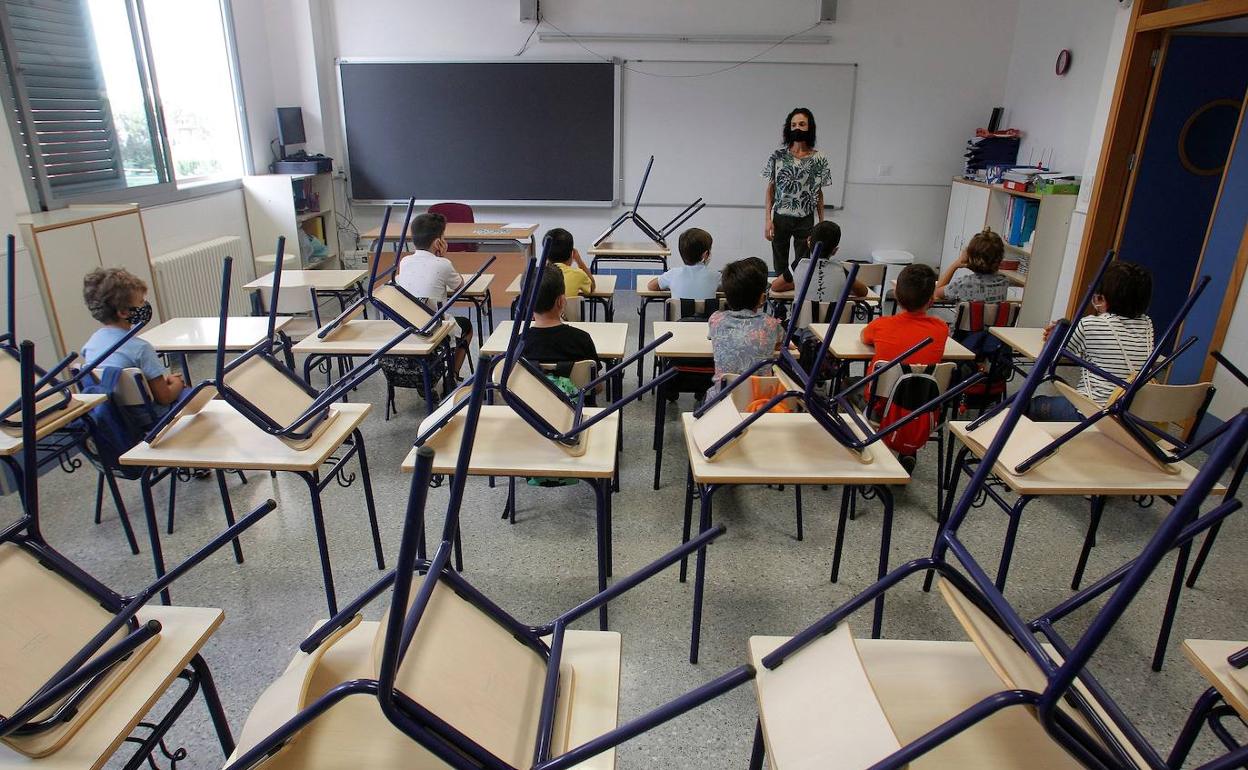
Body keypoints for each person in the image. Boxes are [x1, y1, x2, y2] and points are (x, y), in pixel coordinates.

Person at [1029, 261, 1155, 421]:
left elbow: (1055, 351)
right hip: (1129, 416)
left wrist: (1057, 333)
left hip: (1091, 414)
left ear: (1105, 296)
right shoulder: (1147, 325)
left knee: (1031, 405)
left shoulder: (1090, 324)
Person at [81, 267, 183, 424]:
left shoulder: (90, 345)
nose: (144, 306)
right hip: (152, 418)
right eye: (141, 302)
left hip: (117, 417)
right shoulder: (141, 348)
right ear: (123, 312)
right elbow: (165, 397)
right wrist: (177, 383)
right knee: (198, 392)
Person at [394, 211, 473, 373]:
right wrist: (443, 258)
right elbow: (460, 287)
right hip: (434, 327)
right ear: (438, 243)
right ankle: (453, 374)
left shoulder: (405, 261)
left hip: (408, 325)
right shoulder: (443, 264)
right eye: (443, 238)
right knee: (467, 326)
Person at [762, 107, 833, 280]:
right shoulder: (778, 156)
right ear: (789, 128)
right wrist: (767, 220)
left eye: (802, 124)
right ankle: (779, 301)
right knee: (779, 263)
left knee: (803, 263)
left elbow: (819, 192)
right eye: (793, 124)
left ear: (809, 127)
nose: (797, 128)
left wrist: (821, 223)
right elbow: (771, 189)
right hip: (781, 217)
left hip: (805, 218)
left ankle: (797, 299)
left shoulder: (819, 158)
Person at [707, 257, 784, 392]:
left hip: (722, 399)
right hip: (759, 401)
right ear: (762, 298)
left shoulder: (715, 320)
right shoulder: (771, 324)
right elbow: (780, 343)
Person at [770, 220, 868, 301]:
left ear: (808, 241)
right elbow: (863, 291)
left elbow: (775, 286)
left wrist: (799, 283)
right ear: (835, 250)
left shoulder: (799, 264)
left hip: (801, 323)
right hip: (830, 324)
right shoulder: (840, 270)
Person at [522, 265, 599, 366]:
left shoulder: (519, 344)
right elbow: (594, 379)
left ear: (526, 305)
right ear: (561, 301)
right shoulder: (582, 340)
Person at [934, 228, 1012, 303]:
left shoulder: (962, 284)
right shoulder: (1004, 282)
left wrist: (956, 264)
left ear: (969, 256)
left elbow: (936, 293)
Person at [646, 227, 719, 300]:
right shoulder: (716, 276)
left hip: (679, 311)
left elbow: (651, 286)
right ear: (706, 254)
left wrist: (670, 286)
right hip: (708, 311)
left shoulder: (672, 274)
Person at [545, 227, 595, 298]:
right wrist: (580, 262)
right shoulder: (578, 274)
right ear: (572, 254)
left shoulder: (536, 277)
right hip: (569, 309)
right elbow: (592, 287)